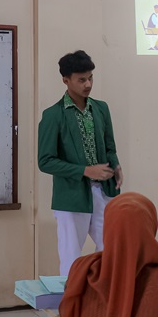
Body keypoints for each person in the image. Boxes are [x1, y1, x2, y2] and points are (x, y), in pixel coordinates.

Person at [38, 50, 122, 276]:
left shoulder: (101, 108)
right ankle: (71, 305)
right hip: (71, 196)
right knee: (71, 257)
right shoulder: (53, 115)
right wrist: (84, 170)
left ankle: (104, 299)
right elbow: (45, 161)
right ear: (66, 80)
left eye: (91, 77)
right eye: (81, 79)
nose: (88, 84)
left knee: (113, 248)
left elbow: (110, 146)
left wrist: (116, 166)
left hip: (104, 191)